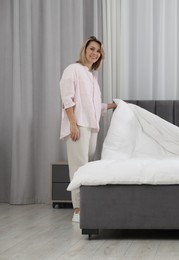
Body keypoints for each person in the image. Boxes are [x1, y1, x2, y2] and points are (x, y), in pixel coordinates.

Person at [59, 36, 116, 223]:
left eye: (98, 51)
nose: (94, 53)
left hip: (91, 126)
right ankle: (77, 209)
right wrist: (73, 123)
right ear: (84, 50)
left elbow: (92, 105)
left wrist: (111, 105)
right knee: (78, 167)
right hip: (79, 124)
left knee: (86, 164)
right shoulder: (72, 69)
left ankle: (85, 206)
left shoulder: (92, 77)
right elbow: (67, 98)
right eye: (91, 49)